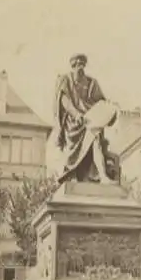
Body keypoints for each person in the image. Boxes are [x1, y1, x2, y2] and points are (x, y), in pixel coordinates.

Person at [54, 54, 119, 184]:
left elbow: (101, 103)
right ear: (72, 66)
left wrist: (110, 109)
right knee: (76, 148)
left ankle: (102, 175)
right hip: (73, 123)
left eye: (82, 64)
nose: (80, 67)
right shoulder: (65, 80)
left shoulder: (92, 83)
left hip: (89, 121)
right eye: (77, 65)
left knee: (96, 139)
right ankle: (71, 174)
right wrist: (77, 114)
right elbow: (64, 101)